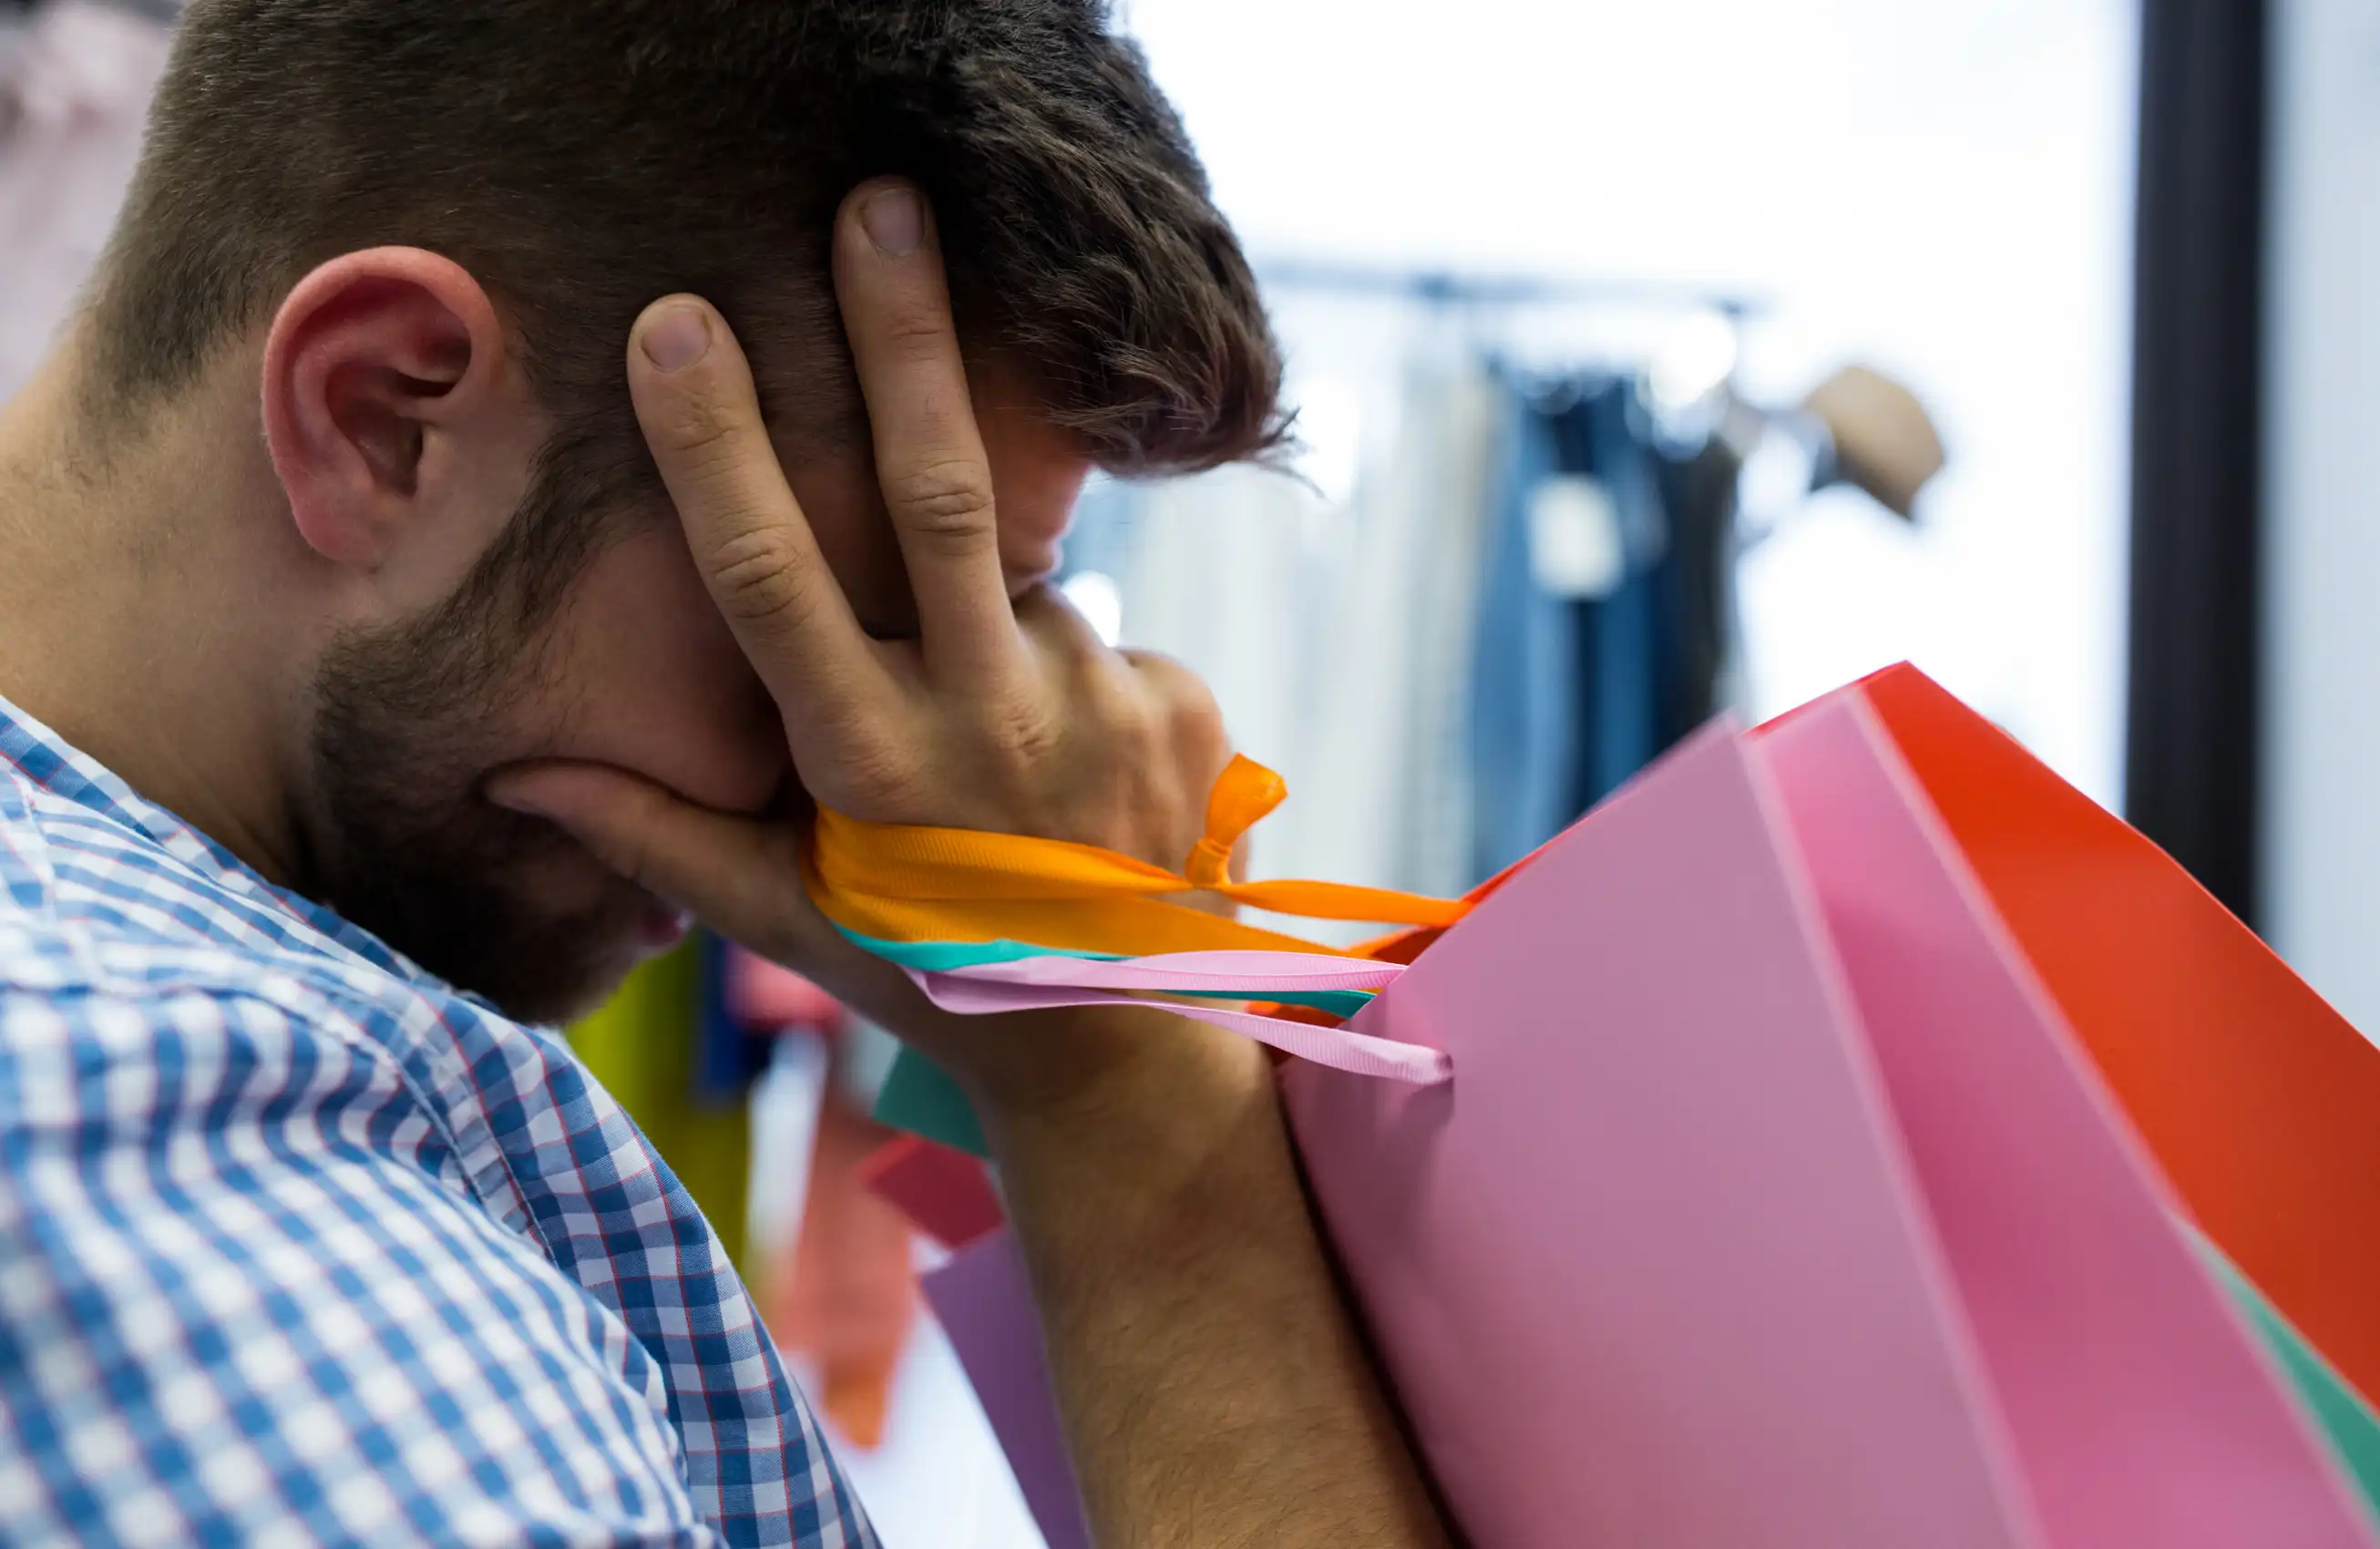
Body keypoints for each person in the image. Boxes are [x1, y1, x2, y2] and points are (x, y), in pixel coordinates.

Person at [0, 2, 1449, 1544]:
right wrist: (1116, 1091)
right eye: (831, 632)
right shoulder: (169, 1191)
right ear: (384, 419)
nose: (876, 784)